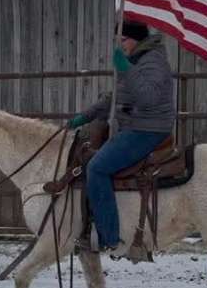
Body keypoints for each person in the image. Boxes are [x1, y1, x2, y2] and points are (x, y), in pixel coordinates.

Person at [67, 20, 175, 254]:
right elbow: (112, 100)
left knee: (97, 168)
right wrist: (82, 118)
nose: (119, 45)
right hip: (135, 126)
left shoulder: (152, 61)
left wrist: (126, 68)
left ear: (135, 39)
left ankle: (109, 237)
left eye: (122, 40)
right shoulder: (137, 60)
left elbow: (148, 98)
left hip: (148, 129)